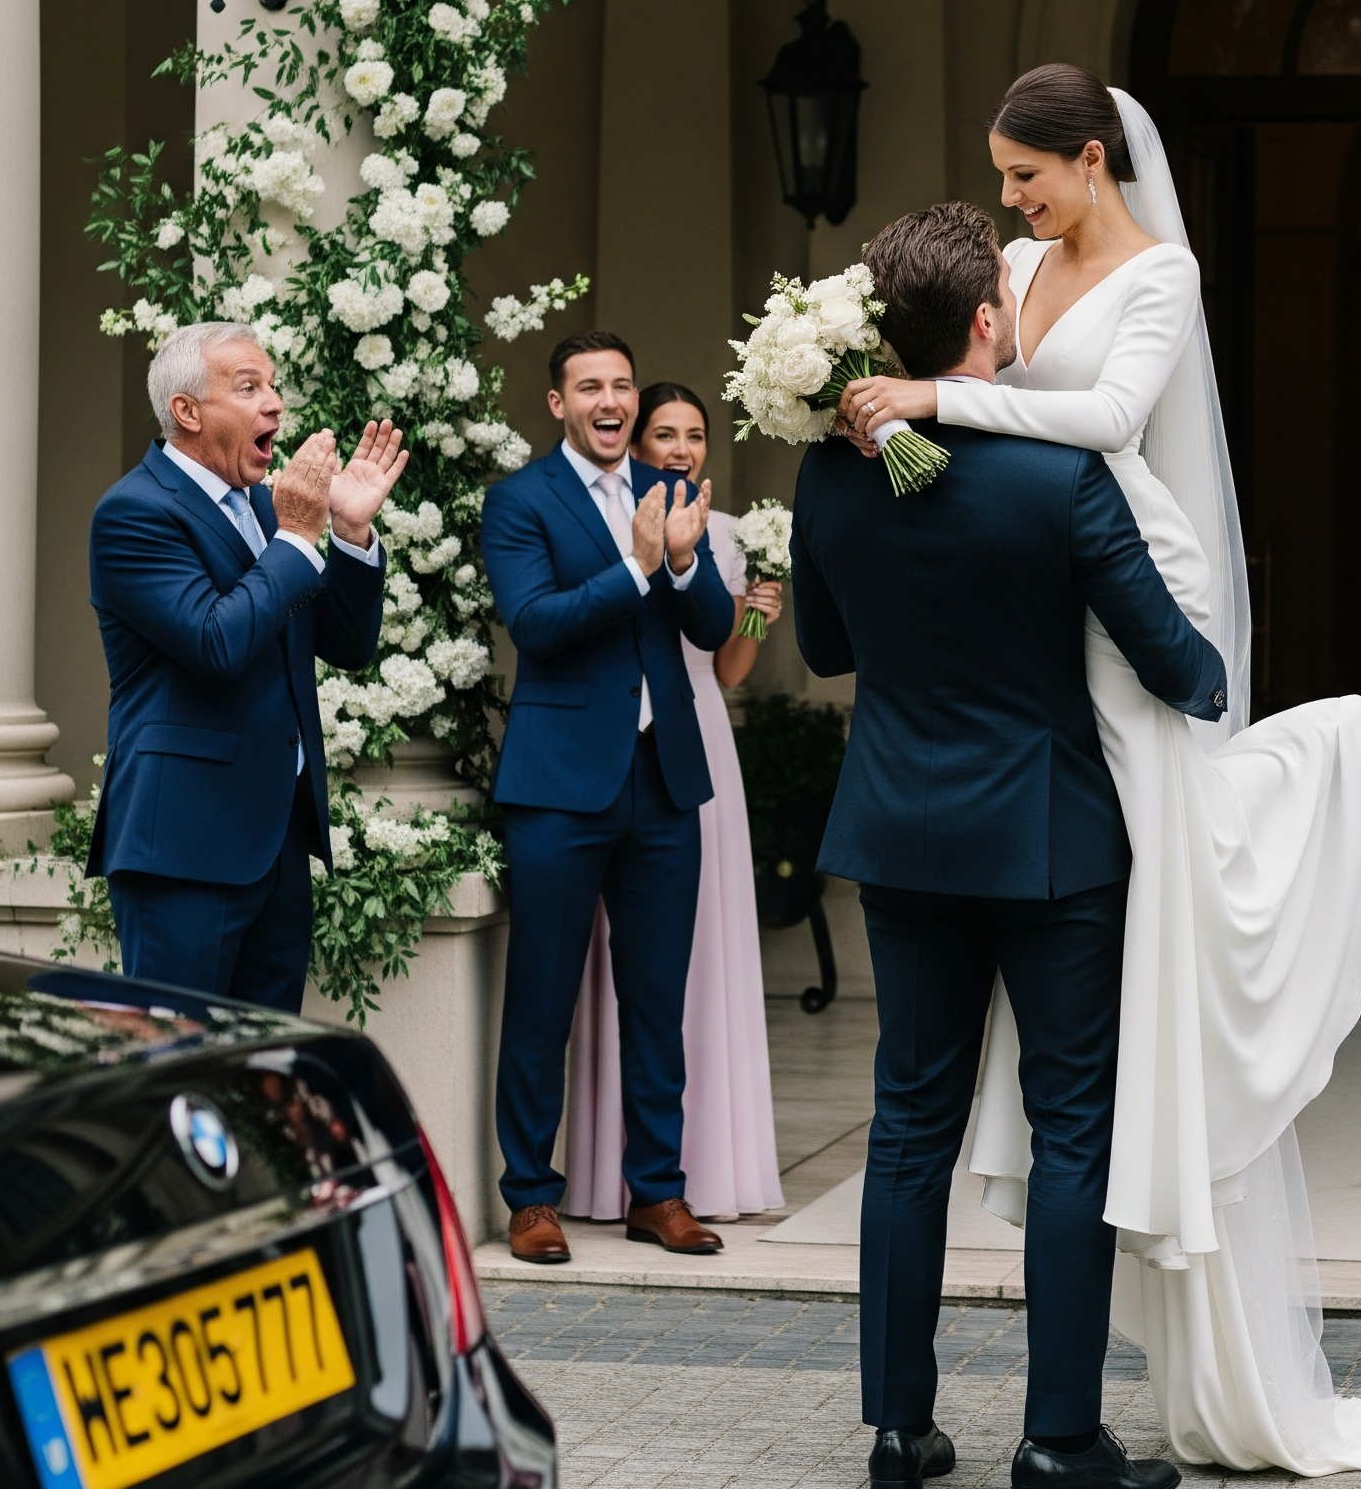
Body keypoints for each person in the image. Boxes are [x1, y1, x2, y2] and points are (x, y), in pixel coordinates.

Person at [839, 69, 1361, 1476]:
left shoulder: (1163, 275)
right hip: (1032, 588)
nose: (1009, 208)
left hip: (1099, 564)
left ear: (1092, 161)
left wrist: (926, 399)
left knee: (1177, 824)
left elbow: (1107, 421)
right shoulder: (1016, 268)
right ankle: (1057, 1435)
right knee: (1061, 1097)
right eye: (999, 187)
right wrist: (890, 414)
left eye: (1025, 180)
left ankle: (1352, 756)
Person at [795, 202, 1229, 1489]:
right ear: (988, 320)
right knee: (1070, 1127)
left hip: (899, 829)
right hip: (1050, 840)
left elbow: (825, 650)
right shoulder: (1058, 473)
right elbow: (1176, 663)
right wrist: (1217, 668)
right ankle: (1056, 1437)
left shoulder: (827, 472)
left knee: (907, 1124)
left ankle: (896, 1428)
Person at [480, 331, 736, 1266]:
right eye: (590, 385)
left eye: (623, 384)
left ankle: (657, 1192)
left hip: (663, 779)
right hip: (557, 785)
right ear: (558, 404)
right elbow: (538, 627)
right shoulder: (519, 501)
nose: (611, 399)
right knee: (542, 996)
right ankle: (532, 1196)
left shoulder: (667, 493)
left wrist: (677, 559)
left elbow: (710, 625)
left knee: (656, 999)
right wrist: (633, 568)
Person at [87, 322, 404, 1009]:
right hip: (182, 850)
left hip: (278, 844)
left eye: (274, 385)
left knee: (263, 1077)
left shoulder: (267, 507)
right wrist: (294, 537)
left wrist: (347, 532)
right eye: (249, 386)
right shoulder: (132, 514)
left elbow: (347, 646)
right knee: (178, 1069)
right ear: (188, 411)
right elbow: (215, 643)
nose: (276, 403)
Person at [564, 381, 784, 1223]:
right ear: (637, 444)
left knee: (703, 956)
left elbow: (726, 670)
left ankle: (704, 1168)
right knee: (625, 967)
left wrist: (760, 615)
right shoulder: (603, 523)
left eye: (696, 435)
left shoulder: (731, 537)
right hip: (608, 758)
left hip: (699, 752)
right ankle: (609, 1173)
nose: (684, 448)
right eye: (667, 433)